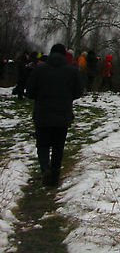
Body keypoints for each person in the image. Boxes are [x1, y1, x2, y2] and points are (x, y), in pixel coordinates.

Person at [26, 43, 83, 187]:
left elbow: (30, 92)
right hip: (63, 115)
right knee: (58, 146)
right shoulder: (72, 71)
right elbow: (78, 92)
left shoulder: (39, 70)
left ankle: (45, 169)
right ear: (64, 55)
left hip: (42, 114)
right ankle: (55, 177)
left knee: (43, 145)